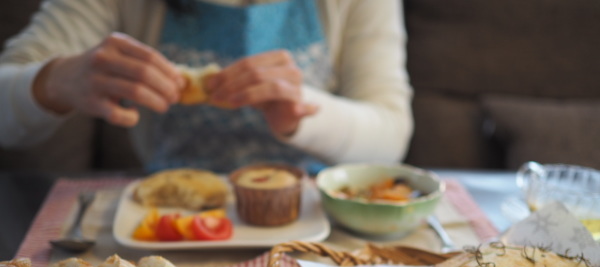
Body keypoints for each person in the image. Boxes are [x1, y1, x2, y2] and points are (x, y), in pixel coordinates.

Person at [0, 0, 413, 173]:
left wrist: (301, 110)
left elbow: (391, 135)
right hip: (165, 219)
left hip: (314, 223)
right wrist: (52, 82)